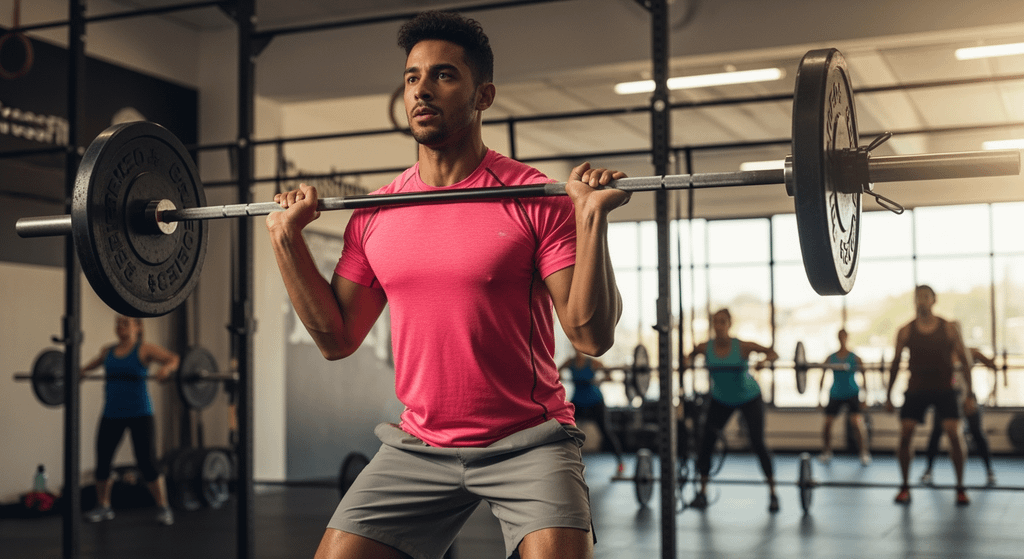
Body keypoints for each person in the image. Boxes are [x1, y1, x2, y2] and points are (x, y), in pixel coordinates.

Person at [266, 11, 629, 559]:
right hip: (419, 446)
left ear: (482, 96)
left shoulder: (533, 196)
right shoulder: (375, 215)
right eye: (413, 77)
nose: (422, 90)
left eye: (443, 75)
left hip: (528, 441)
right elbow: (337, 340)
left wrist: (591, 219)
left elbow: (589, 336)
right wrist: (286, 242)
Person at [81, 314, 180, 525]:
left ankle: (163, 507)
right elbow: (89, 367)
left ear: (138, 327)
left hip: (140, 412)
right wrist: (77, 373)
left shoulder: (145, 349)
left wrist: (166, 369)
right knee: (103, 460)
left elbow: (174, 359)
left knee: (147, 461)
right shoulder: (107, 351)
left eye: (125, 323)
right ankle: (103, 506)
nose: (120, 326)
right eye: (117, 322)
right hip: (111, 412)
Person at [885, 285, 975, 506]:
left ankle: (960, 487)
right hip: (917, 388)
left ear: (934, 300)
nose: (921, 301)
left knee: (954, 434)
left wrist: (970, 394)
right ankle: (905, 486)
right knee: (905, 434)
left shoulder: (949, 328)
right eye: (918, 297)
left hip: (945, 388)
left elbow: (965, 361)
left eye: (925, 297)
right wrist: (888, 395)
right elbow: (895, 363)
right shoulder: (905, 330)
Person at [686, 309, 781, 513]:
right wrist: (686, 363)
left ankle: (773, 493)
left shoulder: (743, 346)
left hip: (749, 397)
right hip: (721, 399)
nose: (719, 325)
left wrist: (765, 361)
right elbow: (688, 357)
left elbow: (773, 353)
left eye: (722, 322)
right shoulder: (705, 347)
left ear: (729, 324)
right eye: (715, 322)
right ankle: (702, 493)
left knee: (757, 442)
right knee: (706, 443)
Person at [920, 345, 998, 487]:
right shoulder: (942, 352)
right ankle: (928, 470)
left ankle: (989, 471)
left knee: (976, 433)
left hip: (967, 398)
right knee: (936, 433)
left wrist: (993, 383)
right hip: (947, 397)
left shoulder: (971, 352)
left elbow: (991, 364)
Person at [557, 349, 626, 476]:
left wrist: (601, 379)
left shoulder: (592, 363)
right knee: (566, 430)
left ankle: (620, 463)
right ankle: (564, 464)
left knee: (606, 431)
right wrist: (560, 376)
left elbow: (609, 376)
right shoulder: (569, 362)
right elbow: (555, 373)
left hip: (595, 402)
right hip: (578, 401)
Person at [816, 329, 871, 466]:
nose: (842, 339)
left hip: (852, 393)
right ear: (838, 338)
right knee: (827, 424)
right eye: (840, 337)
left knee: (857, 424)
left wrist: (866, 397)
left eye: (844, 337)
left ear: (847, 338)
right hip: (835, 394)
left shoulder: (855, 357)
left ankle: (864, 453)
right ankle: (827, 452)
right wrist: (819, 397)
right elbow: (822, 377)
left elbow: (864, 376)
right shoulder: (830, 357)